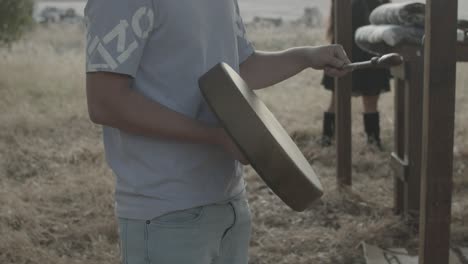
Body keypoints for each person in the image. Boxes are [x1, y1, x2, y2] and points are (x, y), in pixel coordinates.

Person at [84, 0, 350, 263]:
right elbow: (106, 102)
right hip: (164, 211)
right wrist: (215, 137)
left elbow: (241, 68)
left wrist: (305, 57)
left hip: (229, 203)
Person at [321, 0, 391, 149]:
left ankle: (373, 142)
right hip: (348, 50)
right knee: (337, 99)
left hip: (370, 51)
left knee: (370, 100)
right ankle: (327, 139)